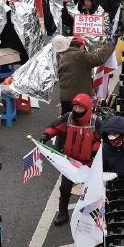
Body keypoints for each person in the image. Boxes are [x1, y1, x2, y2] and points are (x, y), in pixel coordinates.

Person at [41, 93, 101, 226]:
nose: (77, 110)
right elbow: (54, 127)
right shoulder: (68, 118)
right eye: (76, 107)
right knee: (64, 189)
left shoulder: (94, 121)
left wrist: (95, 149)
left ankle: (91, 217)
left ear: (87, 108)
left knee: (90, 191)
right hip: (70, 162)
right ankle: (63, 214)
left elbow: (101, 139)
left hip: (88, 163)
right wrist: (46, 135)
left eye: (81, 108)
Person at [57, 37, 114, 112]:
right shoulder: (81, 55)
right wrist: (110, 44)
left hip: (64, 98)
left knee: (66, 120)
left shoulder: (64, 56)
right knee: (79, 121)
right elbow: (99, 59)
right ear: (82, 46)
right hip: (78, 98)